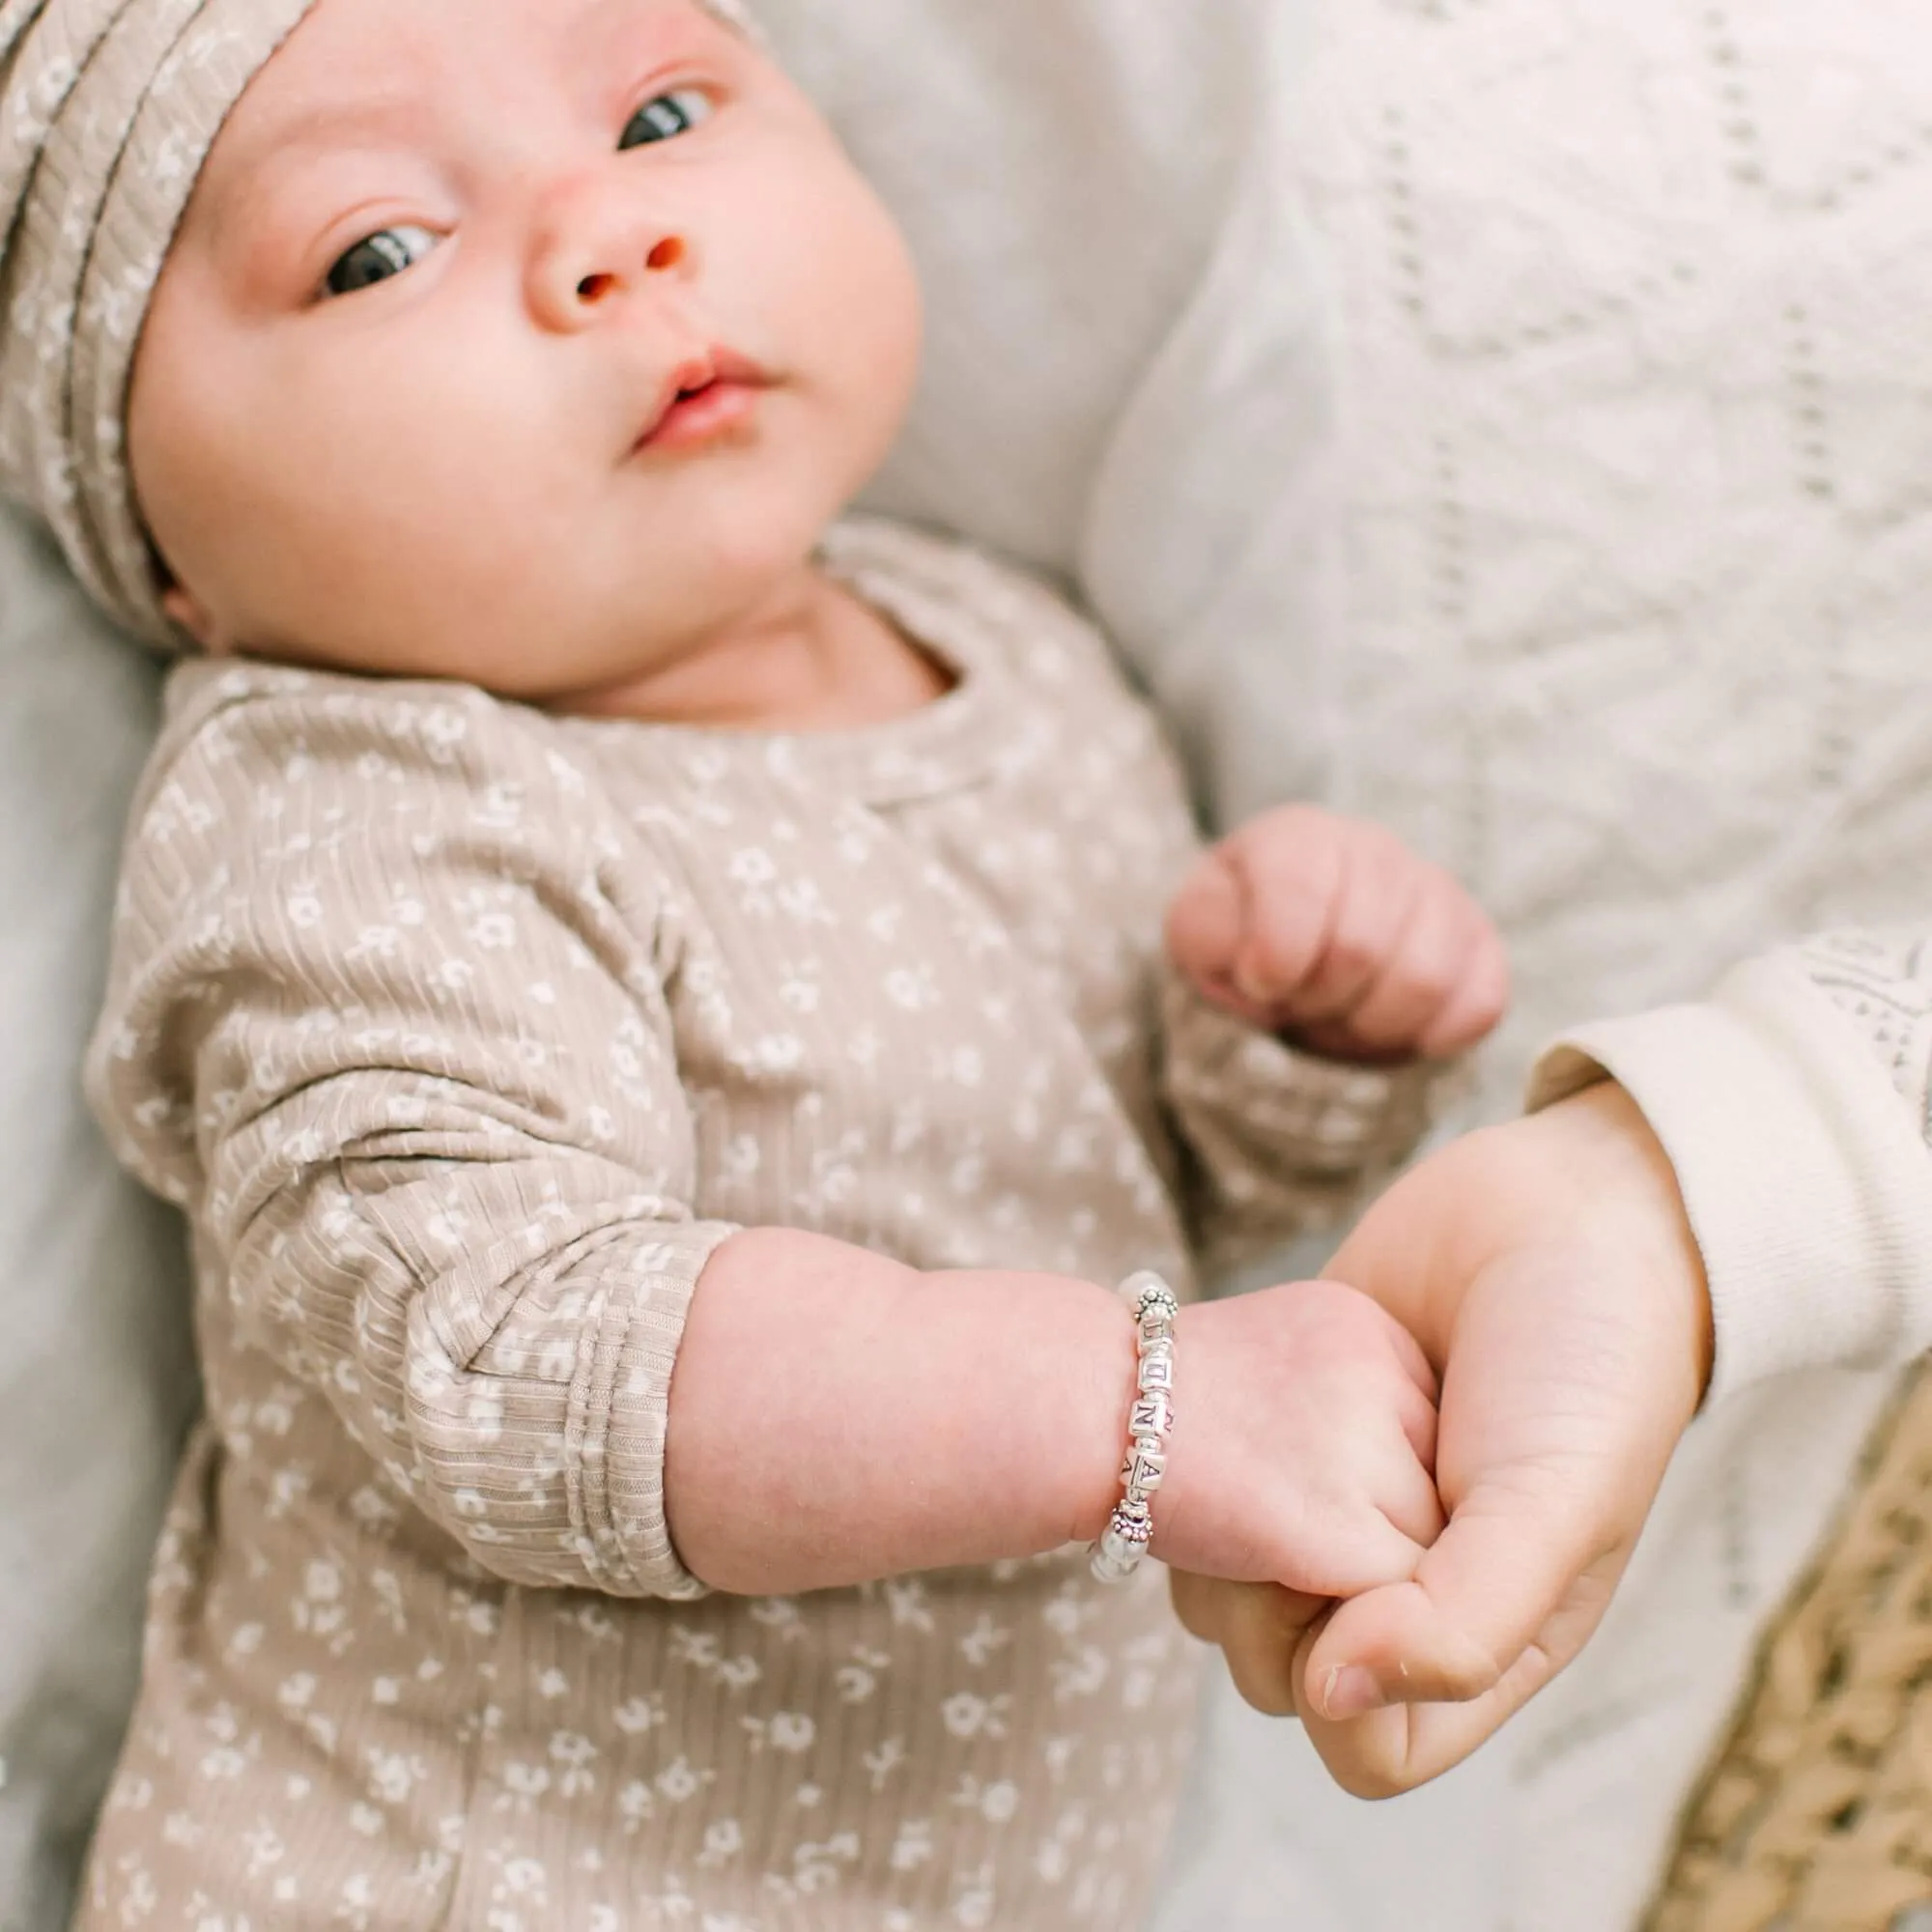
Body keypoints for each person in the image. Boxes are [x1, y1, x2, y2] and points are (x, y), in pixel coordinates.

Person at [0, 0, 1518, 1923]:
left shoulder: (997, 647)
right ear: (167, 558)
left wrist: (1290, 1043)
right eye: (376, 248)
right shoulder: (367, 796)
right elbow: (501, 1346)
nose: (605, 238)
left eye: (653, 112)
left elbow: (1137, 1223)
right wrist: (1133, 1413)